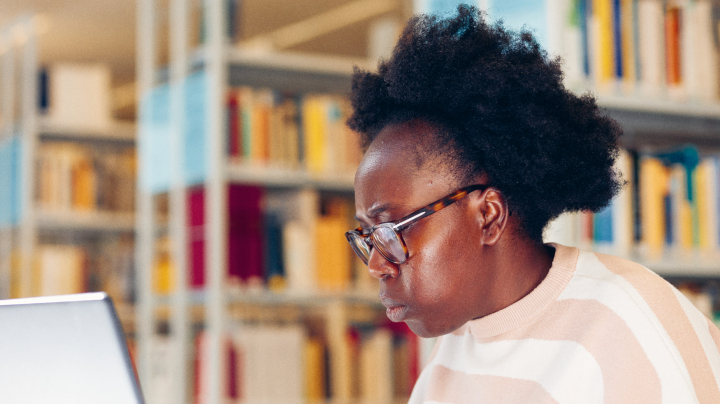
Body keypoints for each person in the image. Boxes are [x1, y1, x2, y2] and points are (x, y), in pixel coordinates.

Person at [344, 5, 720, 403]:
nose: (375, 264)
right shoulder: (453, 352)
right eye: (368, 235)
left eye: (391, 229)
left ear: (488, 216)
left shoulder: (632, 324)